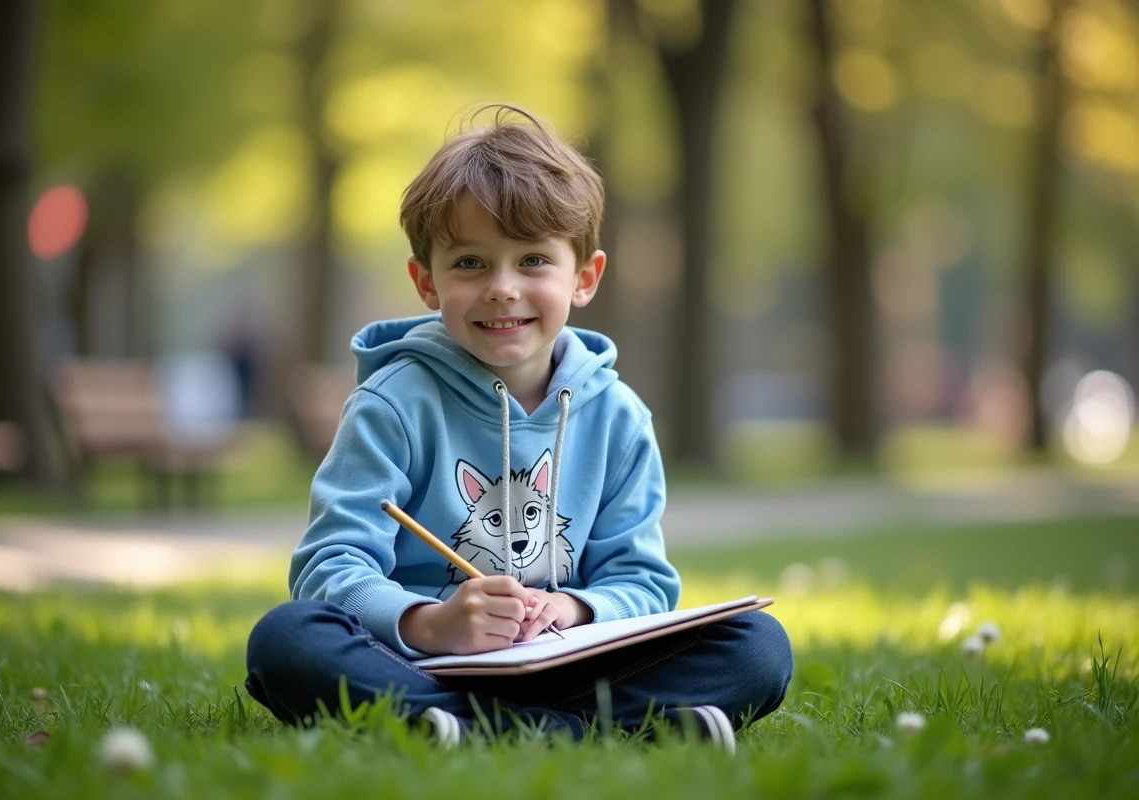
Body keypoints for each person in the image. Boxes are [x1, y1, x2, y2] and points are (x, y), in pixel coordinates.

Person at [245, 104, 792, 750]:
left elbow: (642, 581)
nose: (503, 288)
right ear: (426, 282)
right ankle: (585, 732)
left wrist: (572, 609)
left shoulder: (618, 417)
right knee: (286, 639)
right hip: (421, 662)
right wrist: (429, 623)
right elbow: (330, 566)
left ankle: (468, 730)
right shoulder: (391, 405)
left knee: (758, 647)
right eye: (471, 264)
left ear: (584, 277)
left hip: (570, 665)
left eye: (533, 261)